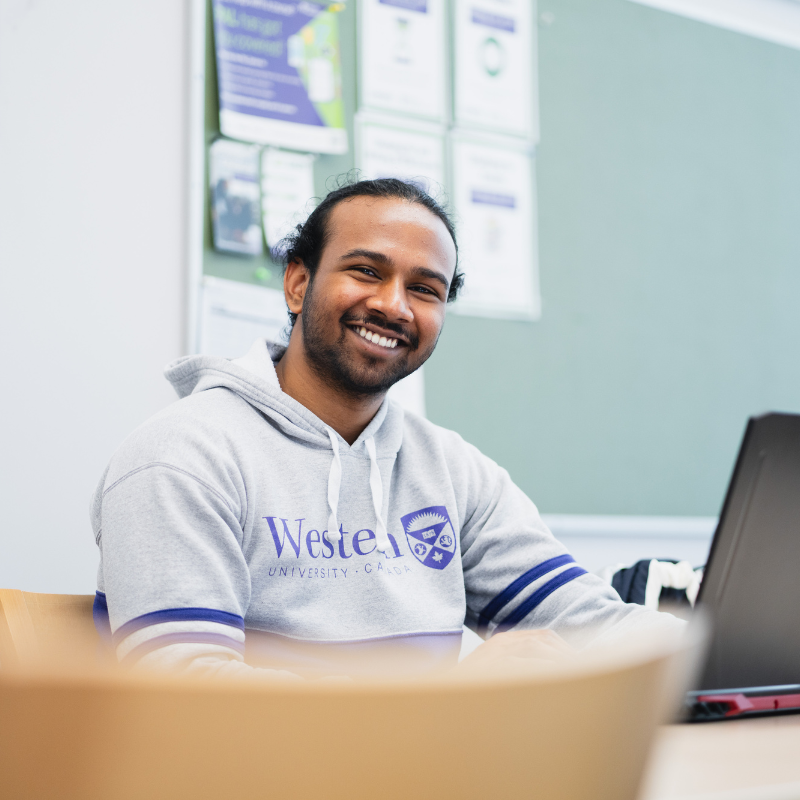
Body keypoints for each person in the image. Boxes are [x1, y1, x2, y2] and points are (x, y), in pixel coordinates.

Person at [91, 178, 681, 680]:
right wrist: (445, 703)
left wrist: (718, 647)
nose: (394, 306)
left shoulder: (450, 470)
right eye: (366, 271)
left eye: (425, 289)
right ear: (298, 284)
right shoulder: (182, 457)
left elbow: (592, 625)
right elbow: (186, 698)